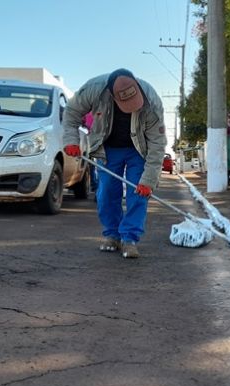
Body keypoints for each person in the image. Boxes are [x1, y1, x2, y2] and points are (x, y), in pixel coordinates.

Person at [62, 68, 167, 259]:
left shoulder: (151, 100)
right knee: (107, 192)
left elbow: (157, 144)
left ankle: (130, 238)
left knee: (138, 191)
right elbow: (71, 113)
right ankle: (112, 235)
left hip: (139, 150)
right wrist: (70, 140)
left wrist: (149, 181)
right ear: (111, 94)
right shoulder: (93, 89)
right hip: (108, 148)